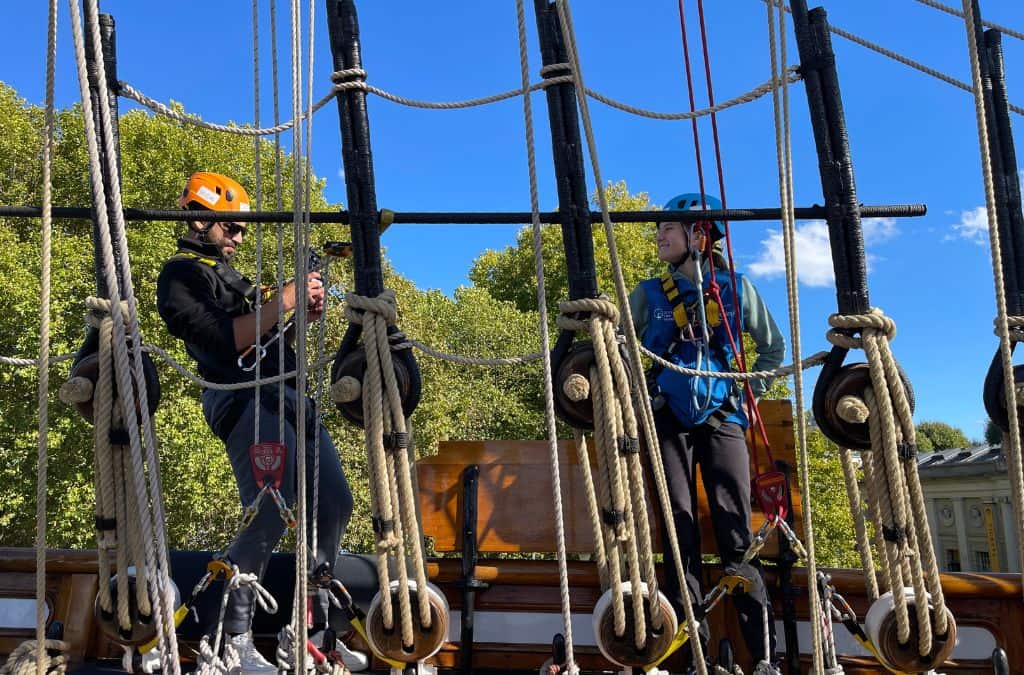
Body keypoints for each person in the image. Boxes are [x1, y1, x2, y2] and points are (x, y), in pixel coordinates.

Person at [156, 172, 366, 673]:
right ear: (199, 219)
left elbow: (264, 343)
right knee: (271, 507)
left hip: (289, 398)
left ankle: (308, 631)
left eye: (242, 230)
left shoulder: (231, 278)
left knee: (334, 501)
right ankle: (233, 640)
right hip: (246, 401)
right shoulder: (181, 276)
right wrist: (283, 302)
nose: (238, 237)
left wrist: (296, 318)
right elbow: (222, 341)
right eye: (231, 227)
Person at [628, 193, 785, 674]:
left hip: (724, 418)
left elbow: (773, 349)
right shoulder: (648, 295)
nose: (659, 236)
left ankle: (762, 655)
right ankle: (690, 650)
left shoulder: (736, 290)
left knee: (735, 530)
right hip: (668, 417)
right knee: (679, 529)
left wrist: (749, 392)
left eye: (668, 229)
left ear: (700, 236)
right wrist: (641, 391)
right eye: (659, 229)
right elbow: (622, 351)